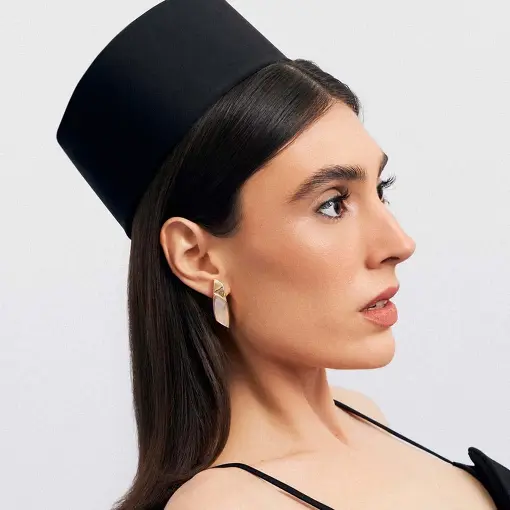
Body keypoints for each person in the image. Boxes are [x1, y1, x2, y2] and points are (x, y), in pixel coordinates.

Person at [56, 1, 510, 509]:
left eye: (380, 190)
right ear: (199, 258)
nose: (399, 244)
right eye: (333, 204)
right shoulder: (229, 505)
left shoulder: (362, 415)